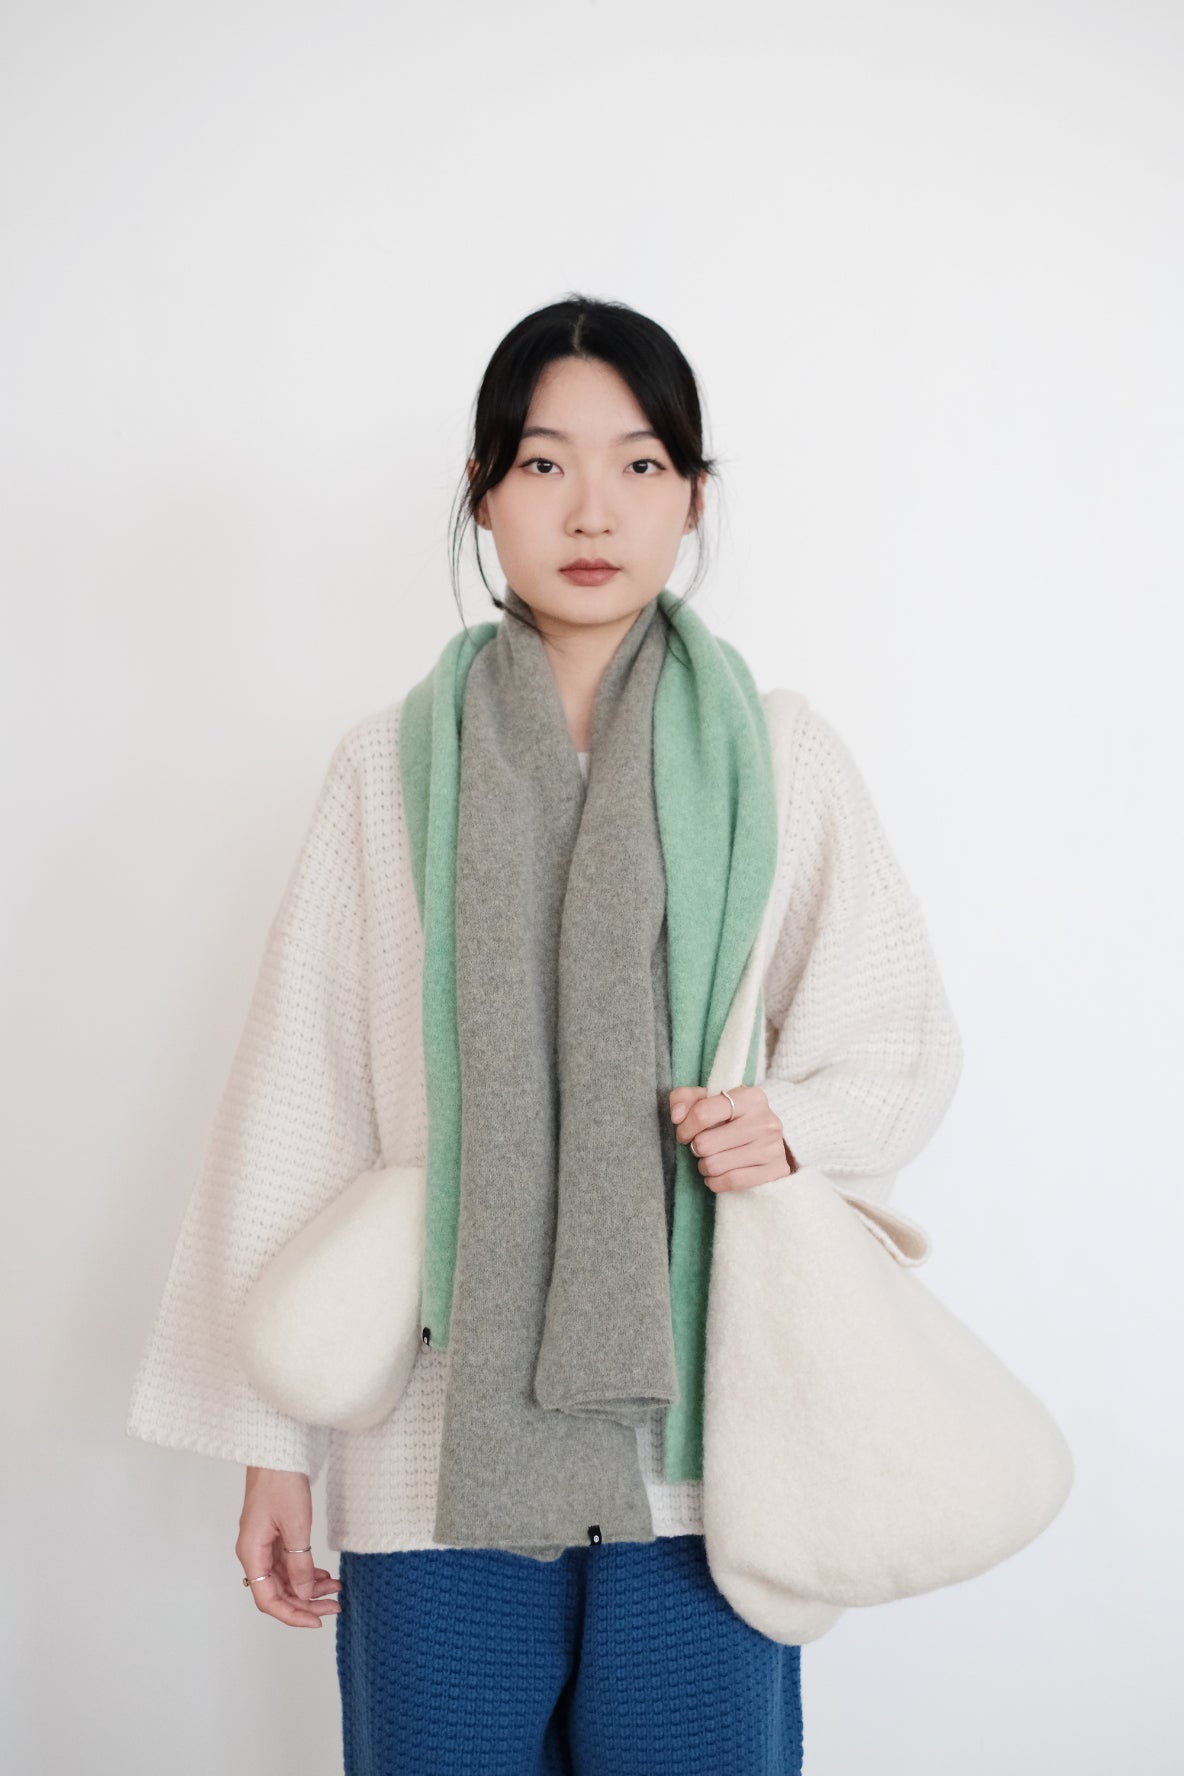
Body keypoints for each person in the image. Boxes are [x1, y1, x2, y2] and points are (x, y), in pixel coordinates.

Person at [127, 294, 963, 1774]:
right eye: (542, 464)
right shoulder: (388, 769)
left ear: (693, 496)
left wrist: (789, 1127)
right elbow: (298, 1100)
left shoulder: (778, 758)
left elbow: (896, 1041)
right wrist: (273, 1444)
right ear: (483, 493)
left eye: (641, 465)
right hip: (434, 1453)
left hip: (709, 1450)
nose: (592, 510)